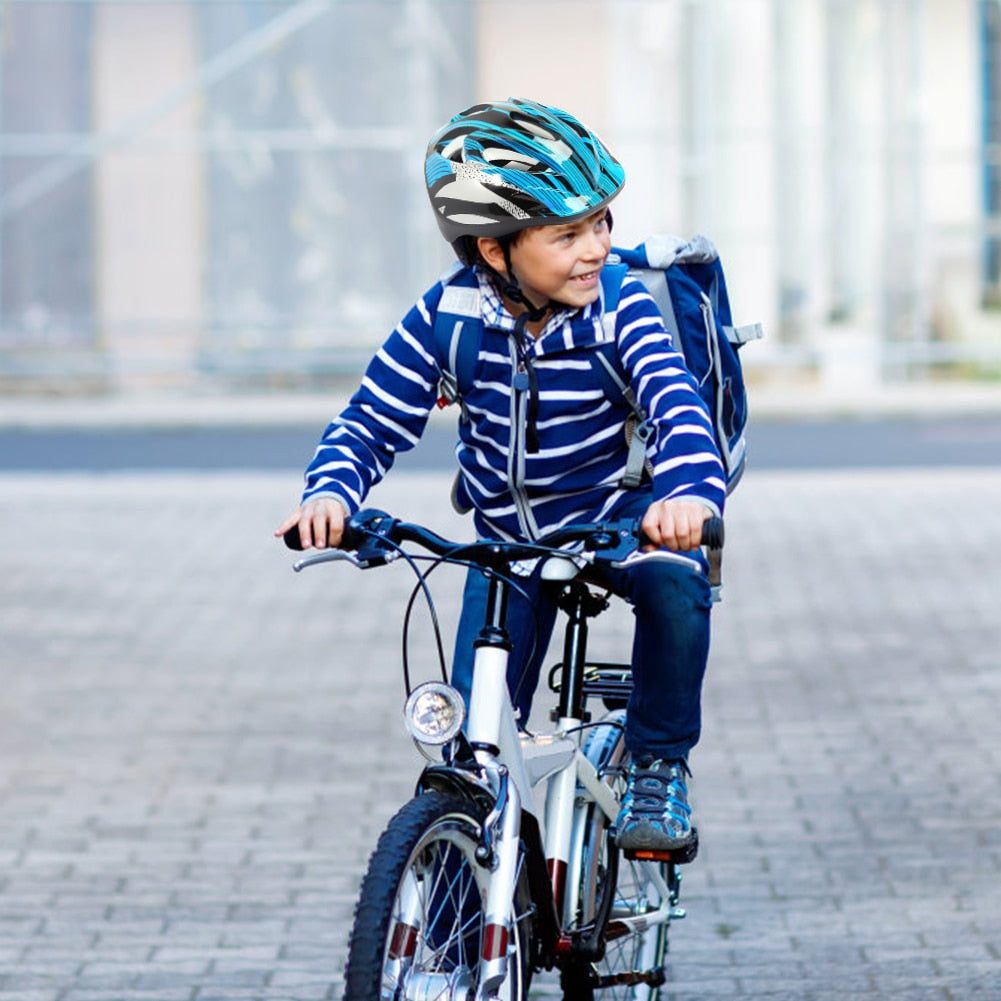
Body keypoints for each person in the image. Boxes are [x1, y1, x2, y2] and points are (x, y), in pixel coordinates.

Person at [275, 98, 725, 853]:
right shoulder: (445, 317)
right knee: (473, 758)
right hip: (507, 541)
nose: (596, 248)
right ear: (493, 251)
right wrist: (330, 492)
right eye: (568, 234)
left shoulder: (621, 309)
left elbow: (676, 409)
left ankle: (657, 764)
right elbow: (370, 418)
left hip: (616, 519)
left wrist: (684, 495)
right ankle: (452, 933)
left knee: (675, 581)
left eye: (601, 223)